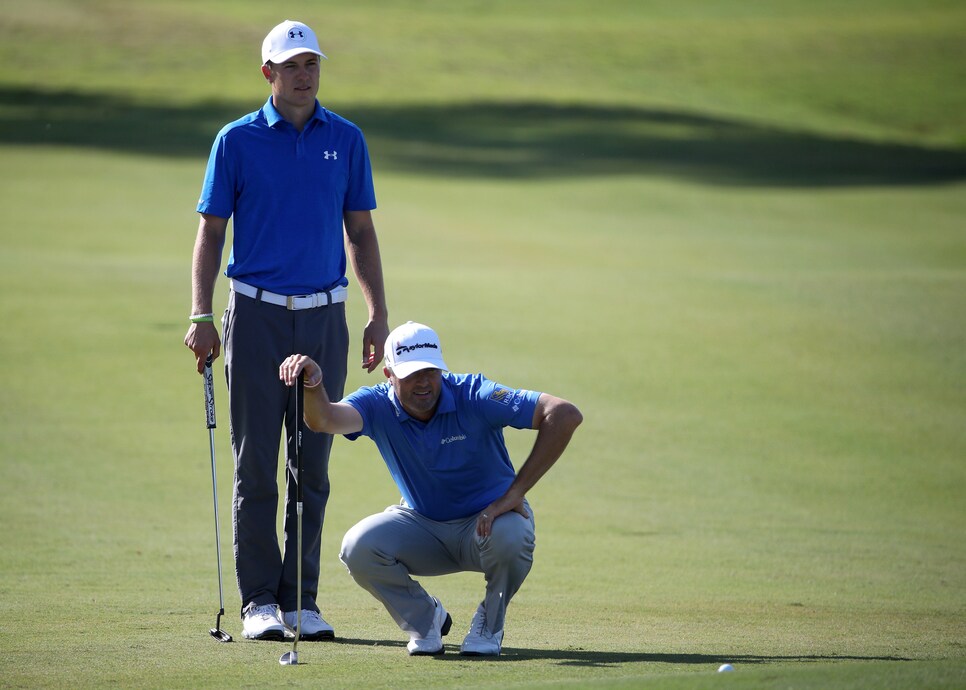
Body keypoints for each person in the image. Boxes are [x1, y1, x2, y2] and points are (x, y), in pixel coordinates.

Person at [183, 19, 389, 642]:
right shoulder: (237, 140)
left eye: (313, 65)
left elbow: (361, 233)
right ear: (268, 73)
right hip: (256, 313)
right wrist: (199, 313)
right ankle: (259, 603)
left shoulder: (346, 140)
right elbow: (212, 232)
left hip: (325, 315)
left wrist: (377, 311)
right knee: (258, 466)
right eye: (293, 65)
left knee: (314, 463)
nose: (305, 75)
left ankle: (301, 600)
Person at [278, 321, 582, 656]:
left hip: (486, 526)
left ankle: (489, 625)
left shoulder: (474, 394)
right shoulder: (376, 403)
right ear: (389, 374)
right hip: (422, 528)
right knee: (358, 546)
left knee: (513, 536)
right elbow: (325, 420)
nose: (423, 382)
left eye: (430, 371)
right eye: (410, 374)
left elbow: (563, 414)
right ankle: (425, 621)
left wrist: (515, 493)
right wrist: (314, 386)